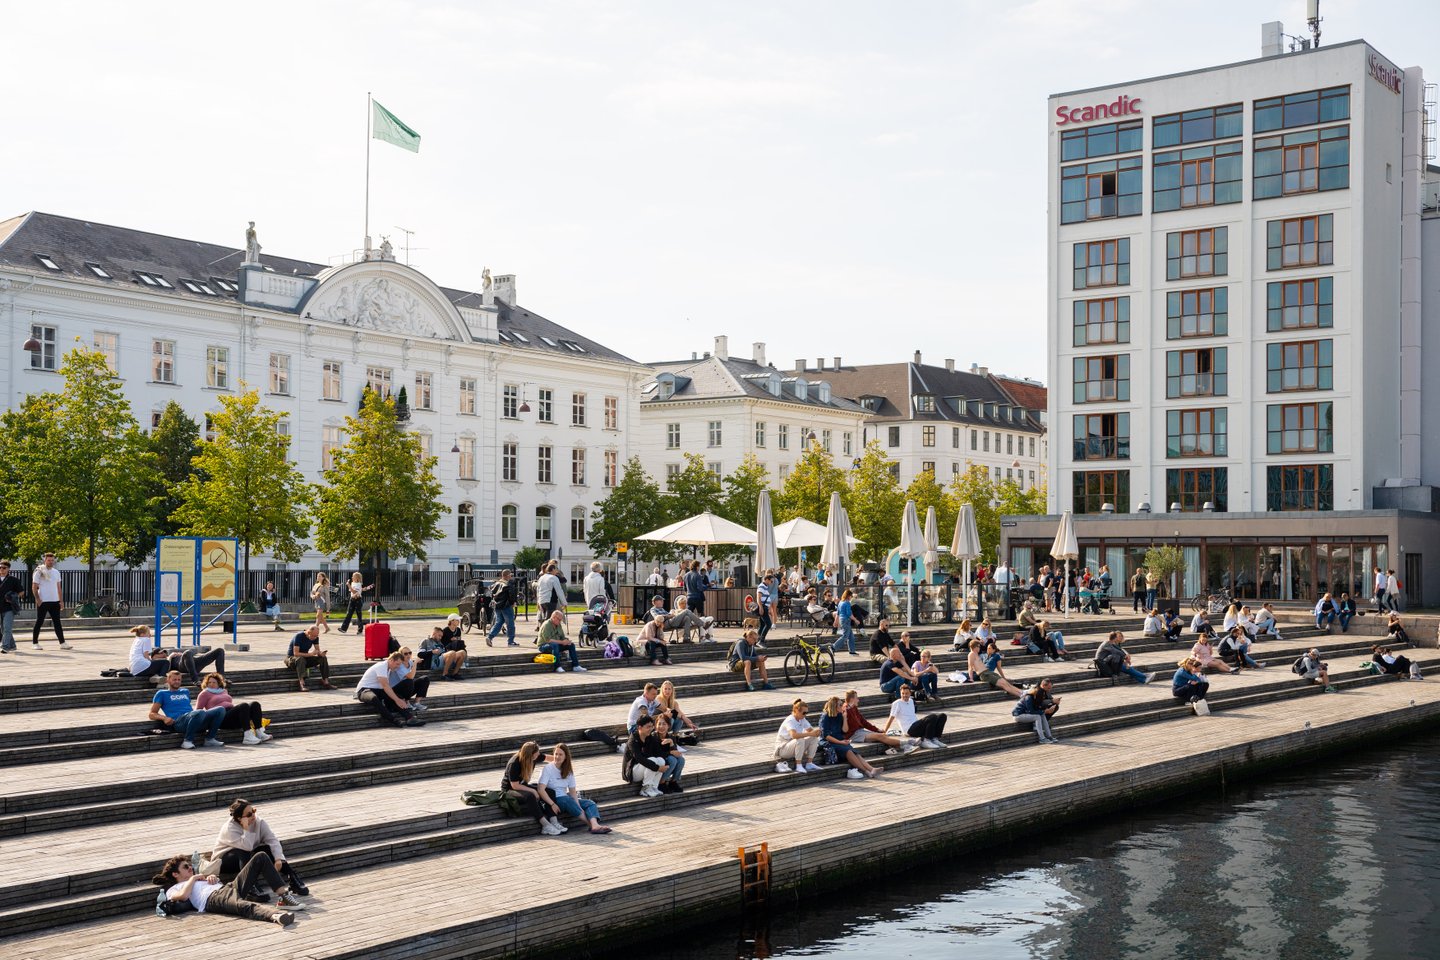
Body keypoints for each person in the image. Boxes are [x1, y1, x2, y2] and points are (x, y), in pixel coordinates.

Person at [152, 852, 297, 925]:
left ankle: (283, 896)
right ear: (175, 874)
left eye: (190, 865)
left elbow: (214, 883)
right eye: (186, 867)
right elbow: (183, 897)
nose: (190, 867)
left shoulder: (198, 879)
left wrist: (212, 879)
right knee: (242, 906)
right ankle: (275, 916)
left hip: (228, 888)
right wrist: (194, 878)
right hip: (213, 899)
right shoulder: (174, 888)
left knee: (260, 857)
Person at [201, 799, 307, 897]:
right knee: (242, 851)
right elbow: (247, 846)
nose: (254, 815)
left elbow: (272, 840)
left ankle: (292, 877)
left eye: (254, 811)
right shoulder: (230, 828)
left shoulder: (259, 822)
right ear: (239, 818)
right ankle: (250, 887)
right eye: (249, 814)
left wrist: (278, 859)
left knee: (266, 849)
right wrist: (246, 828)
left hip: (247, 857)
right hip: (225, 861)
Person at [539, 743, 611, 834]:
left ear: (566, 757)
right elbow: (540, 789)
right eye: (556, 754)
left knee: (590, 803)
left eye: (560, 754)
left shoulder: (568, 770)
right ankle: (593, 826)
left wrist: (578, 806)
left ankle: (594, 824)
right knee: (566, 800)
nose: (557, 757)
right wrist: (552, 804)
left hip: (566, 798)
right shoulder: (548, 769)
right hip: (553, 801)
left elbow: (572, 792)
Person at [148, 671, 226, 749]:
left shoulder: (185, 691)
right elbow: (152, 714)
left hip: (192, 718)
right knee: (200, 712)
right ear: (168, 680)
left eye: (179, 680)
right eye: (174, 680)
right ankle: (187, 741)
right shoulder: (161, 694)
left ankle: (210, 739)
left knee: (220, 710)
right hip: (178, 722)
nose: (177, 682)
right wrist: (164, 718)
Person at [126, 625, 225, 683]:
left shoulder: (151, 661)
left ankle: (221, 679)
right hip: (183, 665)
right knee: (187, 652)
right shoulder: (154, 663)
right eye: (161, 653)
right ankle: (195, 680)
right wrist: (170, 657)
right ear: (154, 656)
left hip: (193, 663)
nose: (164, 654)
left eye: (164, 652)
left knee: (219, 651)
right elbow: (166, 668)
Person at [503, 741, 565, 834]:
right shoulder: (515, 763)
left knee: (550, 792)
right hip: (510, 790)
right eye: (536, 754)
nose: (538, 755)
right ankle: (545, 825)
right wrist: (532, 790)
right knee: (530, 796)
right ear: (530, 755)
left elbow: (551, 758)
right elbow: (514, 785)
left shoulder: (535, 756)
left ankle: (554, 821)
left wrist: (564, 762)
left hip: (523, 786)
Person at [355, 650, 428, 727]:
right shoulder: (381, 666)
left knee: (396, 697)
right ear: (391, 660)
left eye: (399, 665)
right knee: (374, 698)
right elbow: (385, 685)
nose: (398, 667)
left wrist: (398, 699)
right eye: (397, 664)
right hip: (364, 691)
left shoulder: (389, 668)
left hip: (378, 690)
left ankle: (410, 718)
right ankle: (393, 720)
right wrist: (397, 700)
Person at [196, 672, 271, 745]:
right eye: (209, 682)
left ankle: (259, 732)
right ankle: (247, 737)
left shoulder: (224, 691)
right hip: (220, 718)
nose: (211, 684)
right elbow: (198, 710)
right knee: (243, 705)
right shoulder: (204, 693)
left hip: (231, 715)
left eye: (214, 682)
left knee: (255, 704)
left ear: (219, 683)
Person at [840, 688, 916, 755]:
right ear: (852, 699)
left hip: (860, 732)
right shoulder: (845, 710)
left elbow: (864, 722)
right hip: (853, 735)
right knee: (879, 736)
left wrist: (877, 730)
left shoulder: (853, 707)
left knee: (882, 735)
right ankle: (907, 743)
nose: (858, 700)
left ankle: (905, 747)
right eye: (857, 698)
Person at [820, 696, 880, 780]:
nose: (842, 706)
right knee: (848, 751)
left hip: (840, 740)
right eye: (840, 705)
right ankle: (866, 771)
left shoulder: (840, 715)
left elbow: (845, 730)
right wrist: (841, 742)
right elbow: (826, 736)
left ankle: (871, 769)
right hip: (829, 742)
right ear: (835, 706)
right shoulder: (825, 717)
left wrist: (845, 718)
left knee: (856, 753)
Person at [881, 682, 948, 748]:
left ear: (910, 693)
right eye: (902, 693)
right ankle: (926, 740)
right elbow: (891, 718)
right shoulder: (897, 703)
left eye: (906, 693)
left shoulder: (911, 701)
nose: (904, 695)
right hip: (909, 730)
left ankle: (935, 739)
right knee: (932, 717)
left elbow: (911, 715)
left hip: (916, 726)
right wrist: (884, 731)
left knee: (942, 716)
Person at [623, 715, 670, 797]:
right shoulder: (633, 740)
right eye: (648, 727)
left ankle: (654, 787)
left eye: (652, 726)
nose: (651, 729)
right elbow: (640, 759)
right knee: (653, 760)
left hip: (644, 768)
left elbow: (659, 753)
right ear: (640, 727)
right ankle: (645, 789)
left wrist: (671, 749)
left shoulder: (650, 738)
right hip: (632, 772)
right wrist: (657, 768)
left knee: (661, 760)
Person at [30, 552, 69, 649]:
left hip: (55, 601)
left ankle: (62, 643)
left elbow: (59, 587)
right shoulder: (39, 571)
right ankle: (35, 643)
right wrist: (38, 599)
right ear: (45, 560)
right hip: (43, 601)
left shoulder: (56, 572)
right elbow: (34, 586)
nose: (51, 562)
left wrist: (61, 601)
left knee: (57, 622)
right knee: (39, 621)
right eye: (49, 560)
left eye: (52, 560)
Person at [773, 698, 822, 774]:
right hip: (782, 749)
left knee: (814, 738)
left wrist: (816, 732)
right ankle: (798, 765)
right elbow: (794, 735)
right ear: (796, 711)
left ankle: (809, 763)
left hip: (793, 746)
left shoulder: (802, 719)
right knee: (800, 739)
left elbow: (811, 731)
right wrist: (810, 733)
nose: (805, 714)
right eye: (804, 713)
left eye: (806, 713)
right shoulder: (790, 720)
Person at [286, 625, 334, 692]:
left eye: (316, 636)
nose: (315, 638)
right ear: (308, 632)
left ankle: (325, 681)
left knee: (322, 658)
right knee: (300, 659)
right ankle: (302, 684)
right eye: (313, 636)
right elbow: (296, 653)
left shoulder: (315, 637)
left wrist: (321, 654)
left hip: (305, 658)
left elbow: (317, 650)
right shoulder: (299, 636)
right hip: (291, 659)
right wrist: (310, 654)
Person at [1012, 679, 1061, 744]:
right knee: (1038, 716)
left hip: (1026, 714)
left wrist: (1044, 711)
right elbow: (1031, 711)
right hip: (1018, 715)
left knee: (1042, 715)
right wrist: (1045, 711)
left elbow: (1036, 709)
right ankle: (1042, 739)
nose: (1042, 696)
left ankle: (1049, 736)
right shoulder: (1029, 697)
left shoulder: (1035, 696)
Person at [653, 715, 687, 793]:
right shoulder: (653, 737)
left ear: (668, 726)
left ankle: (673, 782)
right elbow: (656, 753)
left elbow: (676, 753)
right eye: (659, 724)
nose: (661, 726)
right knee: (672, 760)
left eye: (664, 724)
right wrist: (670, 752)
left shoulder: (671, 737)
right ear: (656, 726)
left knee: (681, 760)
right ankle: (661, 783)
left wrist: (671, 743)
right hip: (658, 762)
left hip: (668, 763)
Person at [486, 568, 519, 646]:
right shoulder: (508, 584)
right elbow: (511, 595)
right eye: (510, 575)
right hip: (506, 606)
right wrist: (513, 602)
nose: (511, 577)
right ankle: (510, 641)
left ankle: (490, 637)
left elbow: (492, 594)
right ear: (507, 575)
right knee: (510, 623)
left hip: (497, 606)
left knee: (499, 622)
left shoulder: (496, 583)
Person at [0, 560, 21, 654]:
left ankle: (5, 647)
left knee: (7, 627)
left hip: (9, 608)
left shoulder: (14, 580)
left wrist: (13, 596)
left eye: (4, 568)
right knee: (3, 629)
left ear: (8, 569)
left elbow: (21, 592)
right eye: (0, 567)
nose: (1, 569)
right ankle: (12, 646)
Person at [535, 561, 565, 626]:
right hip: (551, 600)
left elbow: (538, 590)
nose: (557, 571)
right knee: (549, 620)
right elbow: (559, 591)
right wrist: (564, 603)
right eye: (556, 569)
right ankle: (545, 634)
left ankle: (543, 633)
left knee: (545, 619)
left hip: (542, 601)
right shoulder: (554, 578)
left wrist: (538, 601)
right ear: (553, 569)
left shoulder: (541, 578)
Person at [833, 589, 859, 655]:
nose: (851, 598)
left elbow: (838, 613)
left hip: (842, 620)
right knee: (845, 636)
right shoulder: (847, 603)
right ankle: (833, 647)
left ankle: (852, 651)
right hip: (846, 620)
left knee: (851, 637)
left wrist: (836, 621)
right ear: (848, 596)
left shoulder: (841, 602)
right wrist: (855, 620)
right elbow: (849, 614)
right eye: (851, 596)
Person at [757, 572, 778, 644]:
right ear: (766, 579)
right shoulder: (761, 586)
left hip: (765, 607)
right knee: (768, 624)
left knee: (762, 625)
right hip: (763, 607)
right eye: (771, 581)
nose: (771, 583)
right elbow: (758, 597)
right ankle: (761, 640)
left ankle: (757, 640)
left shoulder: (765, 587)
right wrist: (761, 607)